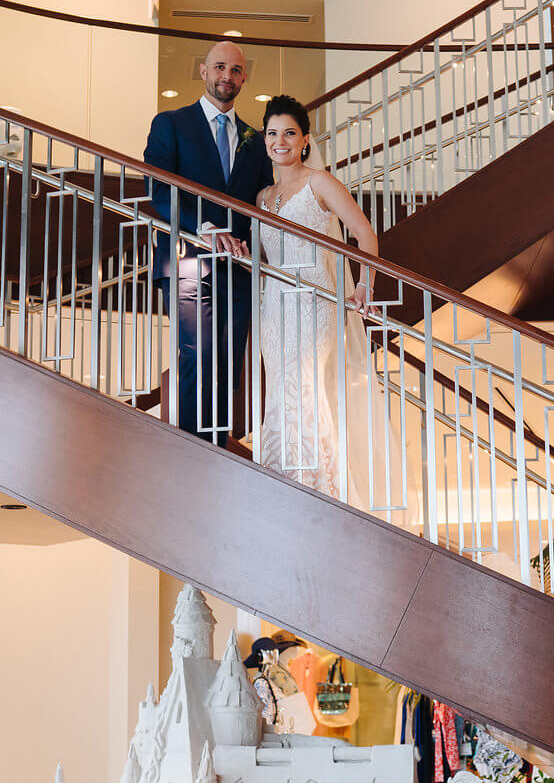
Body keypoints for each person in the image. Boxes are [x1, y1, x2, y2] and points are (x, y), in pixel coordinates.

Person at [255, 94, 386, 501]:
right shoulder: (263, 196)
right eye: (273, 133)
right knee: (279, 390)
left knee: (305, 389)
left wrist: (364, 285)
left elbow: (364, 235)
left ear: (305, 140)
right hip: (274, 308)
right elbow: (265, 256)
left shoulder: (320, 183)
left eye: (289, 133)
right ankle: (278, 480)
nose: (280, 141)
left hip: (313, 302)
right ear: (264, 139)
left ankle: (321, 491)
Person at [143, 41, 272, 444]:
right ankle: (192, 454)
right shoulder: (170, 124)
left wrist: (253, 245)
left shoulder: (256, 140)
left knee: (228, 366)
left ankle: (214, 449)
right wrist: (204, 227)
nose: (226, 77)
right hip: (188, 259)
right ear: (203, 71)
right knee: (197, 355)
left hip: (238, 266)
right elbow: (158, 189)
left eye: (235, 70)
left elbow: (261, 201)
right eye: (219, 67)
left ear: (244, 77)